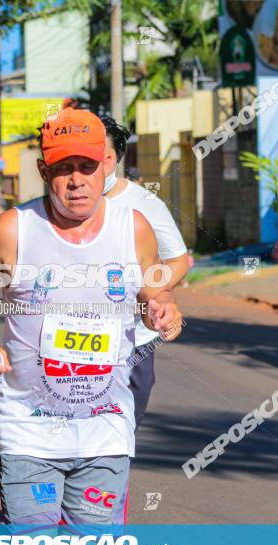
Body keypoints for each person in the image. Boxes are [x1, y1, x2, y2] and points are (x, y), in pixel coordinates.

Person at [0, 108, 182, 545]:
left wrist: (163, 308)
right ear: (43, 171)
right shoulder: (13, 231)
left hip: (106, 428)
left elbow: (154, 288)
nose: (76, 181)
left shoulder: (132, 227)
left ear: (107, 168)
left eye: (87, 167)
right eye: (62, 168)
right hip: (30, 429)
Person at [99, 114, 190, 429]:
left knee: (126, 422)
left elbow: (178, 260)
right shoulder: (56, 206)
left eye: (99, 154)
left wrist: (152, 295)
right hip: (73, 334)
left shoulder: (144, 203)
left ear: (113, 157)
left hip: (134, 335)